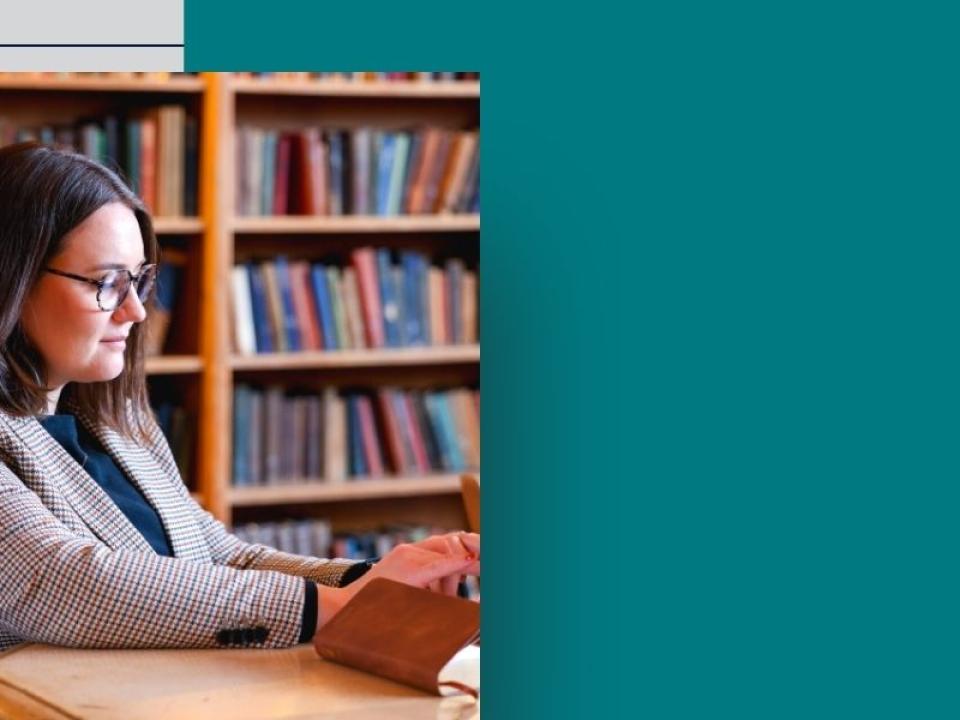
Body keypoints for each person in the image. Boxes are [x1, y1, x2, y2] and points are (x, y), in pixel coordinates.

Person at [0, 142, 479, 651]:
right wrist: (338, 608)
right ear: (13, 278)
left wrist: (376, 580)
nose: (136, 311)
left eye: (139, 281)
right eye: (107, 282)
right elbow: (61, 582)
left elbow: (221, 557)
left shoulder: (116, 424)